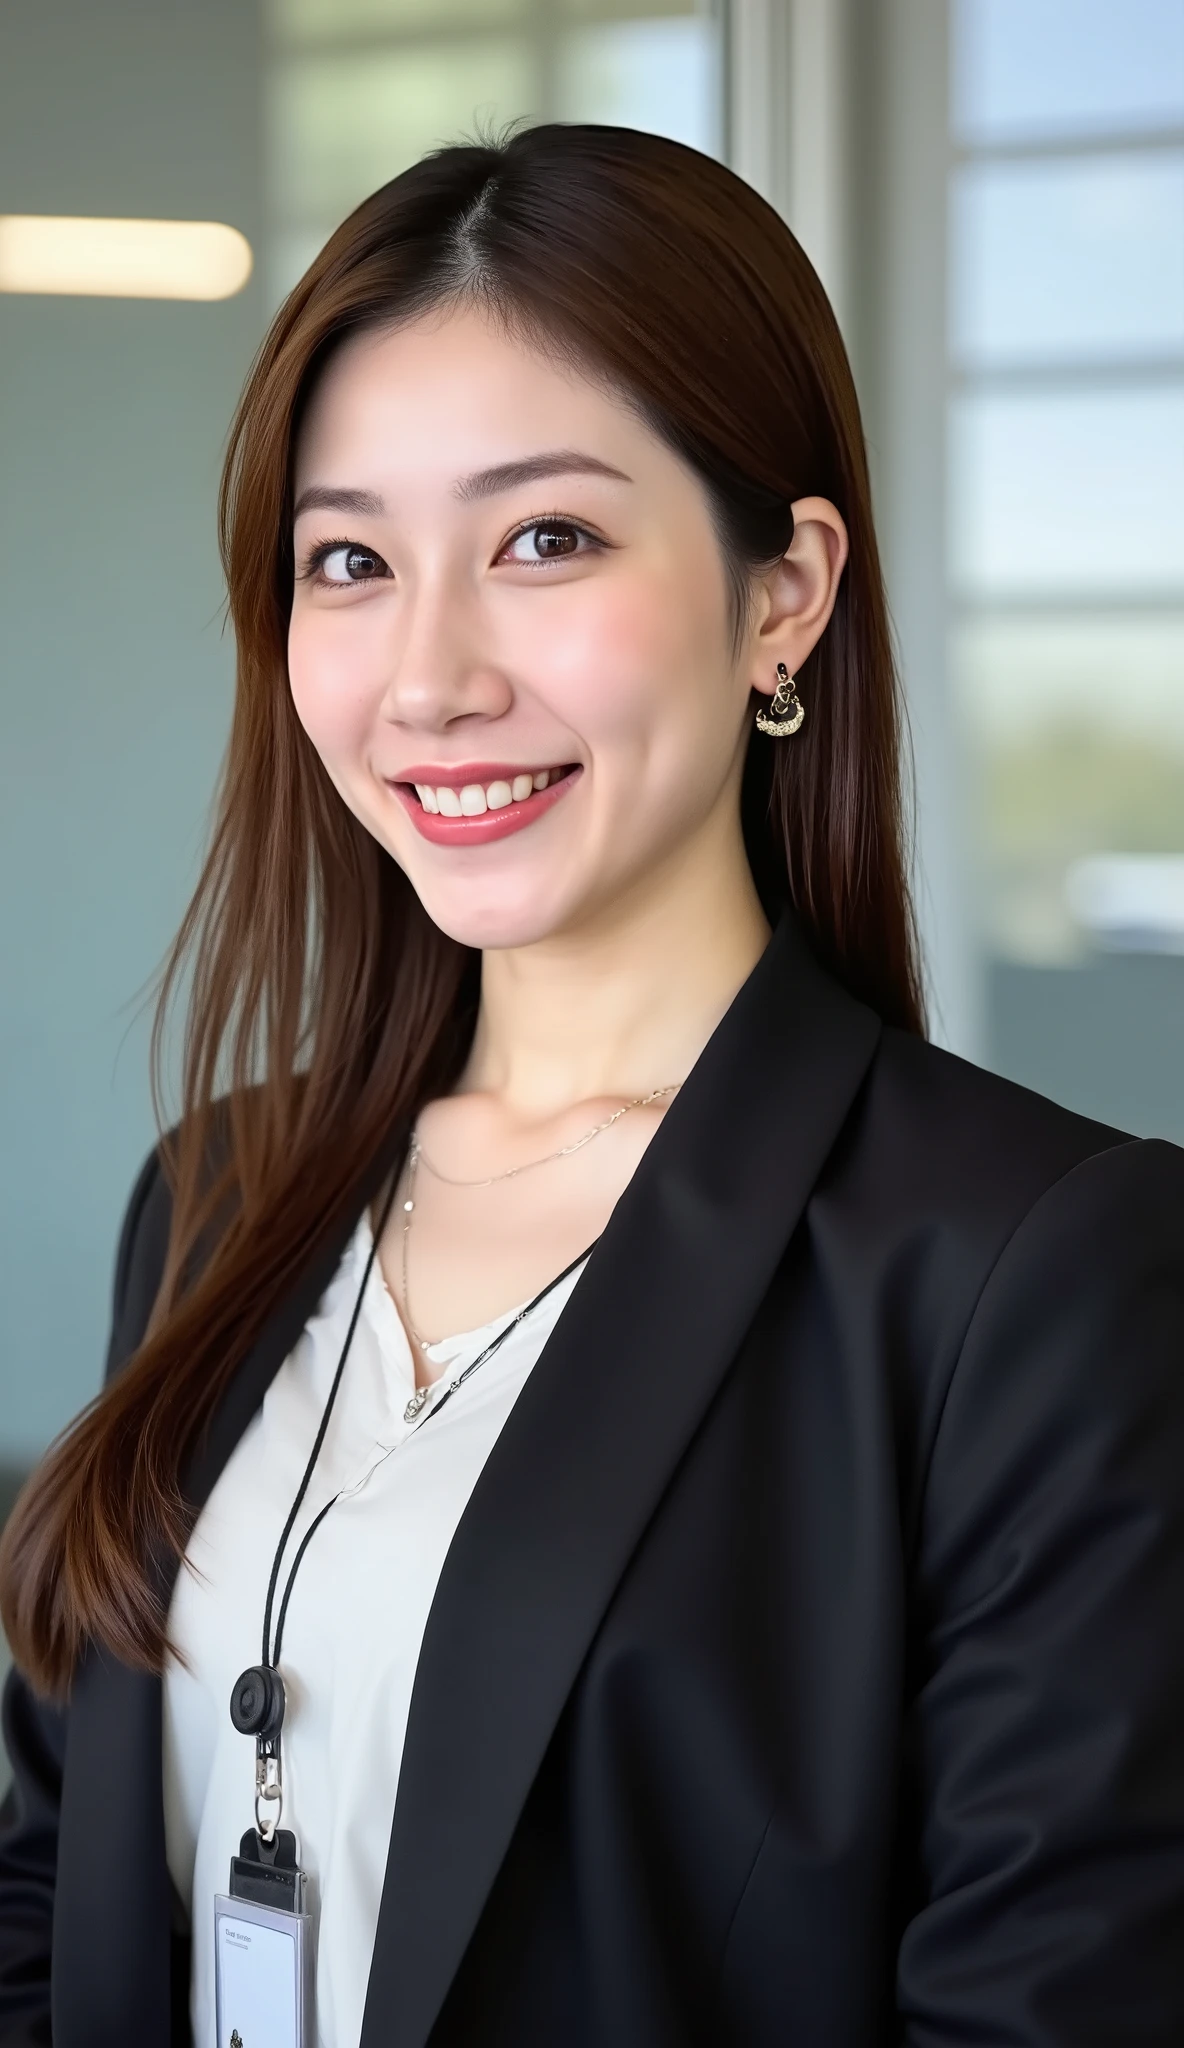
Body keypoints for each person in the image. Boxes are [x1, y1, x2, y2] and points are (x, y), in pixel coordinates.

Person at [2, 121, 1183, 2048]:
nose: (429, 675)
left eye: (545, 539)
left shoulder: (1023, 1274)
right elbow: (58, 1883)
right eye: (351, 560)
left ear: (784, 593)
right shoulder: (222, 1189)